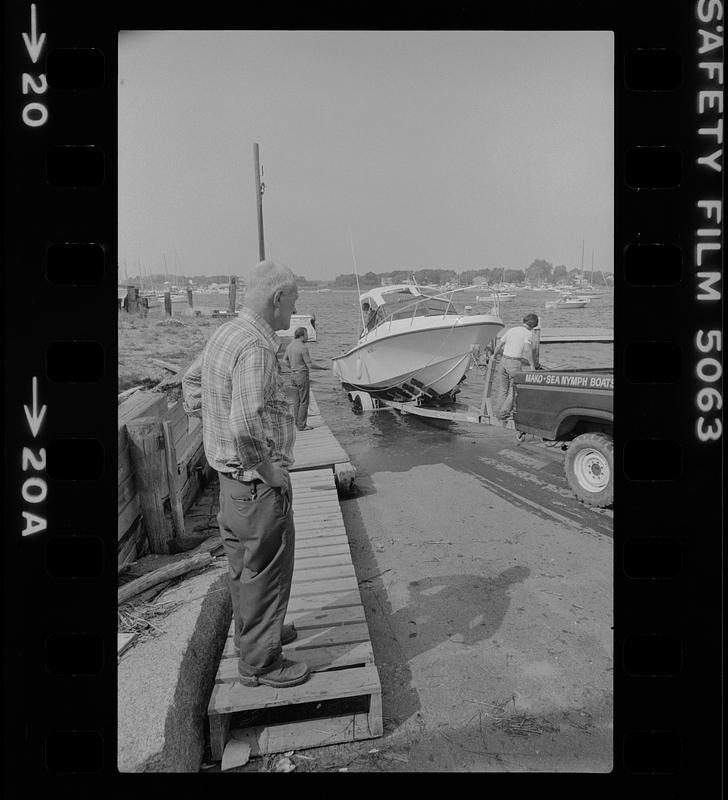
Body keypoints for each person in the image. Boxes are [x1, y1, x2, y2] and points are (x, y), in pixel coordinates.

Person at [182, 260, 310, 689]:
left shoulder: (227, 333)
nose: (294, 311)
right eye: (293, 301)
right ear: (277, 299)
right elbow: (246, 426)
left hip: (230, 483)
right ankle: (262, 663)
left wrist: (208, 426)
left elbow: (191, 381)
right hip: (255, 485)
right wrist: (271, 471)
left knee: (245, 568)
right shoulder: (256, 347)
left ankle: (256, 637)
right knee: (267, 569)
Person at [492, 312, 540, 420]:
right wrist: (532, 365)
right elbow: (527, 350)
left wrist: (493, 356)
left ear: (524, 321)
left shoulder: (512, 330)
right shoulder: (528, 334)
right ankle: (503, 413)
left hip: (503, 360)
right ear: (533, 326)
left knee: (503, 388)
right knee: (515, 389)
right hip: (514, 363)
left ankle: (498, 410)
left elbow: (499, 345)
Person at [282, 327, 328, 431]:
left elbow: (284, 361)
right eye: (306, 334)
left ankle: (297, 424)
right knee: (304, 401)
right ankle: (302, 425)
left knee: (296, 401)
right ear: (302, 336)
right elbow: (310, 364)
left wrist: (292, 367)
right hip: (302, 375)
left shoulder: (290, 346)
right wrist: (323, 368)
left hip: (293, 375)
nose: (308, 337)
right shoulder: (303, 347)